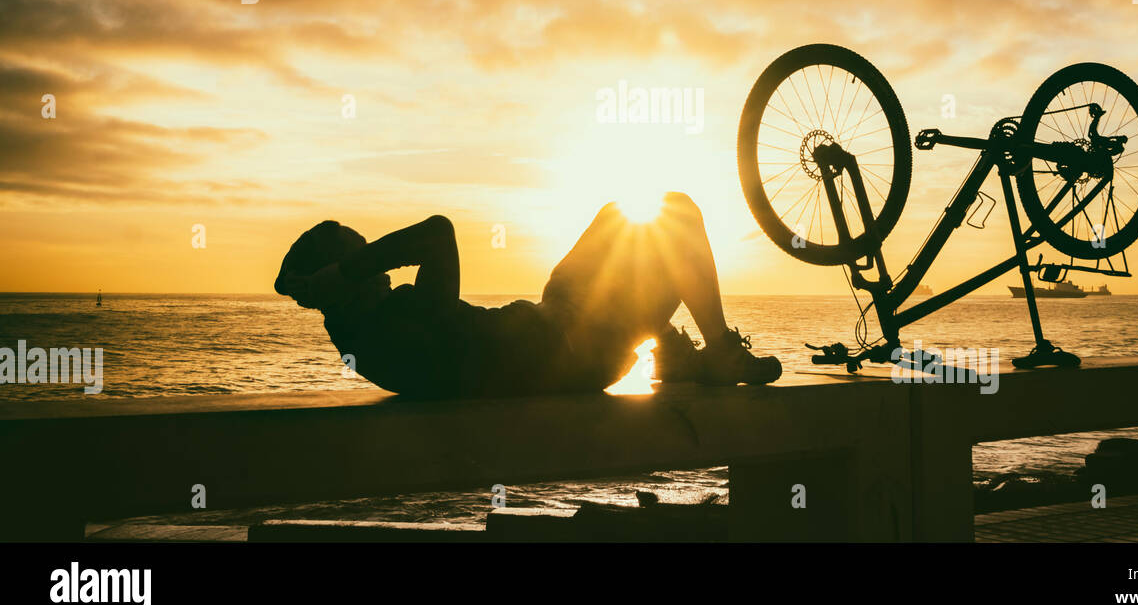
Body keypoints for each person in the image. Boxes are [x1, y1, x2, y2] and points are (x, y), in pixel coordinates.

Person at [274, 192, 781, 398]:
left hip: (556, 316)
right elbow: (438, 233)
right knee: (679, 217)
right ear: (341, 279)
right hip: (585, 348)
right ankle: (719, 353)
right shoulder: (393, 329)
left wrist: (336, 278)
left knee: (618, 216)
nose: (376, 262)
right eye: (361, 255)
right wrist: (344, 272)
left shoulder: (365, 328)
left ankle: (671, 348)